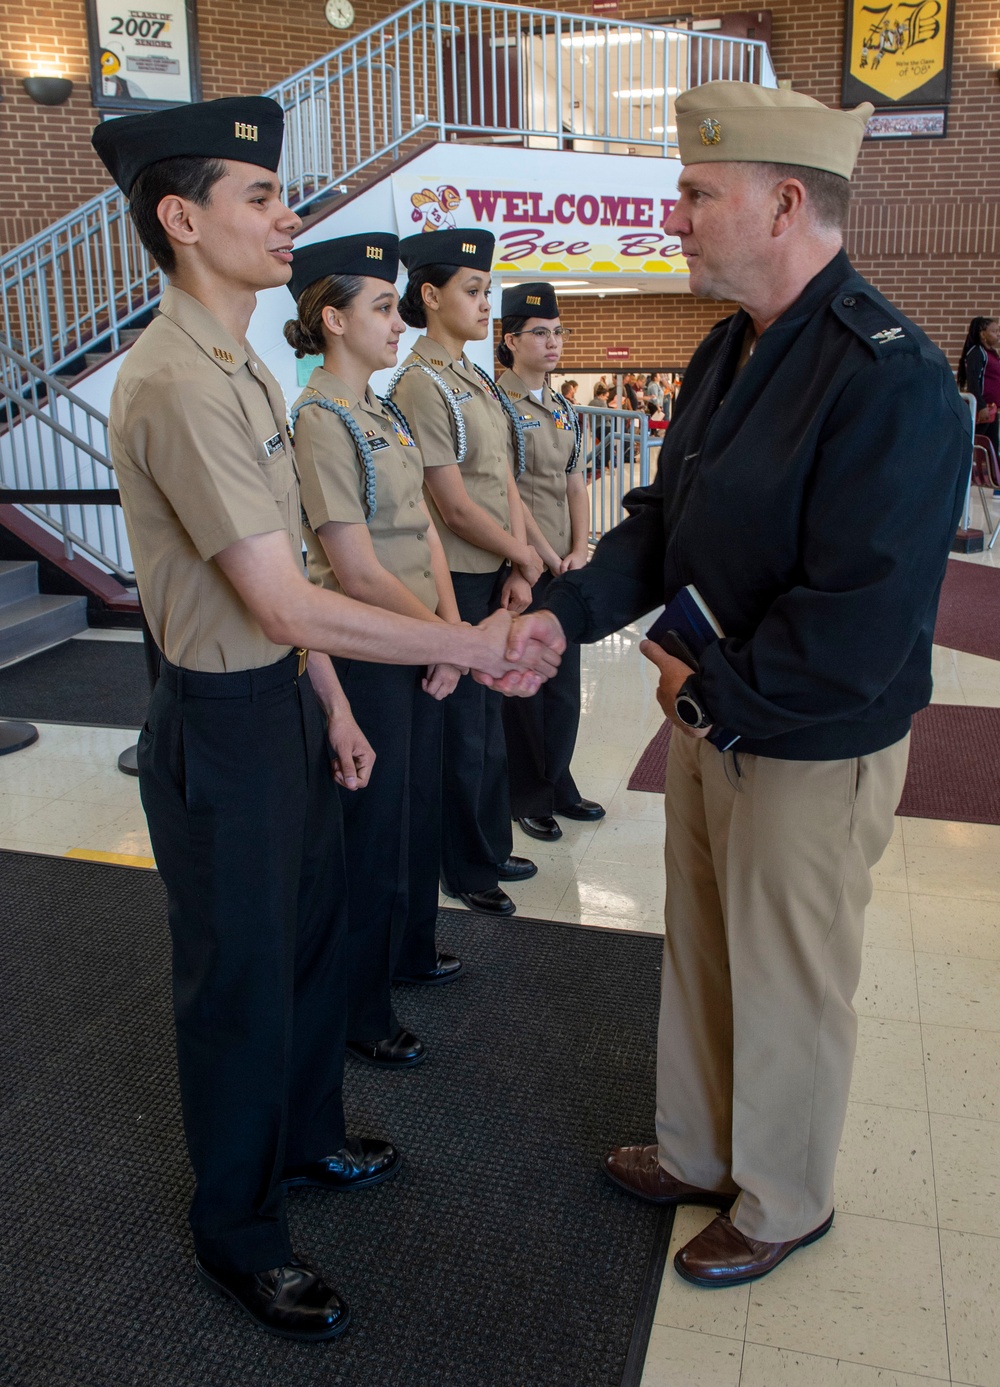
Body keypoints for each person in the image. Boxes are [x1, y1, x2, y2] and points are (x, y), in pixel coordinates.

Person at [91, 99, 560, 1342]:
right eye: (259, 196)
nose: (287, 215)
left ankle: (301, 1141)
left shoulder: (247, 361)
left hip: (284, 706)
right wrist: (465, 640)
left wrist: (335, 704)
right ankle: (237, 1230)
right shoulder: (177, 382)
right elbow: (281, 591)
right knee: (240, 983)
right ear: (181, 219)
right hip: (223, 725)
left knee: (307, 944)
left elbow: (286, 579)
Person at [510, 80, 968, 1288]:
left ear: (781, 203)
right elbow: (663, 523)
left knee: (789, 977)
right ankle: (700, 1149)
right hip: (716, 716)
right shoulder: (731, 348)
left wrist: (703, 696)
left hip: (809, 741)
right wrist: (563, 615)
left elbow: (858, 617)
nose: (675, 216)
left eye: (694, 194)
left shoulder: (890, 373)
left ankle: (782, 1198)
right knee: (707, 948)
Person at [285, 233, 464, 1074]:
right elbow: (351, 570)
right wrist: (451, 639)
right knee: (367, 842)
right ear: (332, 318)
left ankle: (394, 963)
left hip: (416, 641)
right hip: (365, 652)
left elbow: (424, 526)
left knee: (405, 826)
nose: (400, 322)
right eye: (384, 307)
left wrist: (449, 628)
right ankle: (359, 1011)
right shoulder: (319, 420)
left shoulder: (382, 408)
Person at [388, 229, 541, 916]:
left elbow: (500, 473)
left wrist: (518, 556)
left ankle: (487, 840)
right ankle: (466, 864)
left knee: (490, 719)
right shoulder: (421, 384)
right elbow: (449, 503)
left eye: (486, 289)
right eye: (473, 290)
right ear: (429, 295)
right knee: (462, 732)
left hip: (492, 570)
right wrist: (518, 552)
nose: (487, 304)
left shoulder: (474, 375)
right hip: (453, 577)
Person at [495, 282, 604, 842]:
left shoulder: (563, 408)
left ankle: (559, 780)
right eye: (540, 332)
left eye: (558, 331)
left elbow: (576, 484)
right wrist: (540, 555)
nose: (553, 341)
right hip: (524, 569)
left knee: (564, 681)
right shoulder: (500, 407)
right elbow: (509, 490)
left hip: (565, 566)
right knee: (526, 684)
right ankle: (528, 794)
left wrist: (581, 548)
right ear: (510, 340)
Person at [956, 315, 1000, 452]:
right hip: (983, 409)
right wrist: (981, 406)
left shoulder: (991, 353)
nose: (998, 335)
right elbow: (973, 381)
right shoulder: (977, 353)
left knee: (992, 446)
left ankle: (993, 473)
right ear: (983, 334)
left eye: (998, 331)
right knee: (976, 443)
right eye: (994, 331)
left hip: (992, 408)